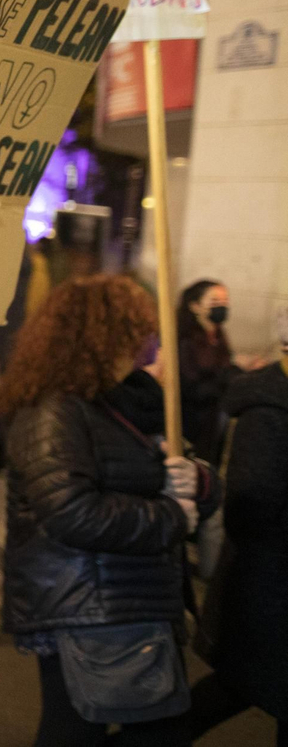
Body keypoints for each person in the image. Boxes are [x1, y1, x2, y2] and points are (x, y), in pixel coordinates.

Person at [0, 275, 219, 747]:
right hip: (86, 603)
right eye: (139, 328)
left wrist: (197, 480)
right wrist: (172, 518)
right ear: (104, 336)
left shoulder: (132, 401)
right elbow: (71, 511)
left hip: (124, 598)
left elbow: (182, 466)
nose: (151, 340)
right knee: (93, 729)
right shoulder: (54, 411)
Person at [189, 308, 288, 745]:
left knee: (234, 691)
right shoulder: (269, 408)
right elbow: (249, 506)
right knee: (234, 689)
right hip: (267, 591)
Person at [177, 279, 252, 463]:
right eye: (215, 302)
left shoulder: (218, 335)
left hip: (214, 416)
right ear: (195, 306)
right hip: (192, 418)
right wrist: (232, 373)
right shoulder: (185, 340)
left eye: (225, 302)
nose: (222, 307)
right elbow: (191, 384)